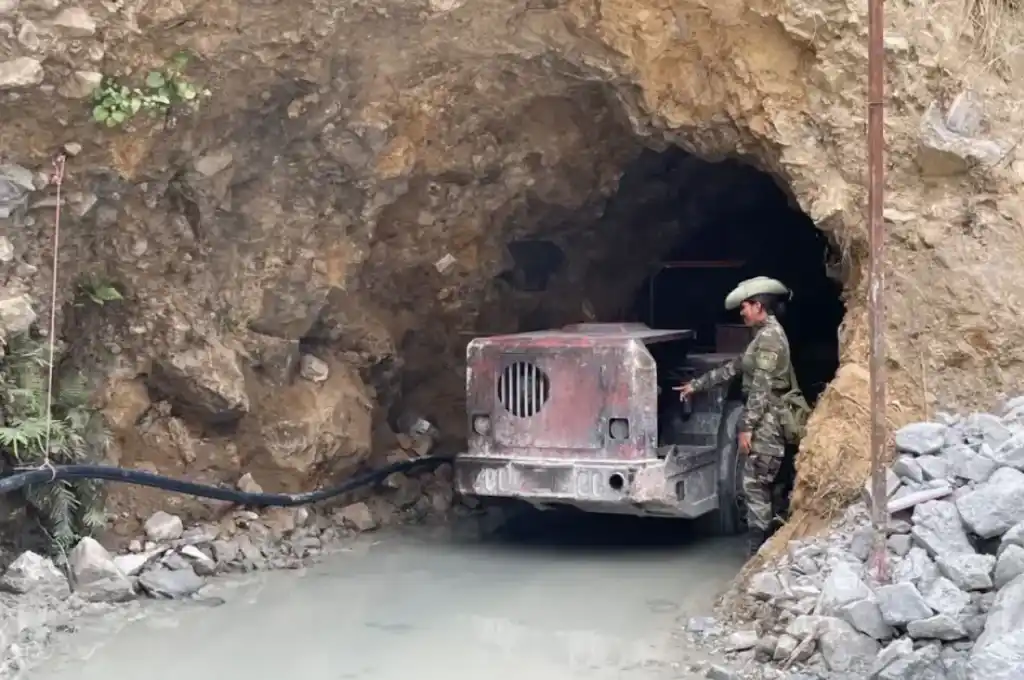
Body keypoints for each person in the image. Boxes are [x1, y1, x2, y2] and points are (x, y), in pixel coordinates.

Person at [674, 276, 803, 557]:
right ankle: (764, 546)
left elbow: (761, 387)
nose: (742, 313)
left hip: (768, 420)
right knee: (759, 483)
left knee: (755, 485)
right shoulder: (761, 337)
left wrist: (747, 427)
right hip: (764, 417)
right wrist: (696, 385)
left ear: (758, 306)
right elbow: (735, 368)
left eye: (744, 307)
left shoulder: (769, 338)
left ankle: (758, 554)